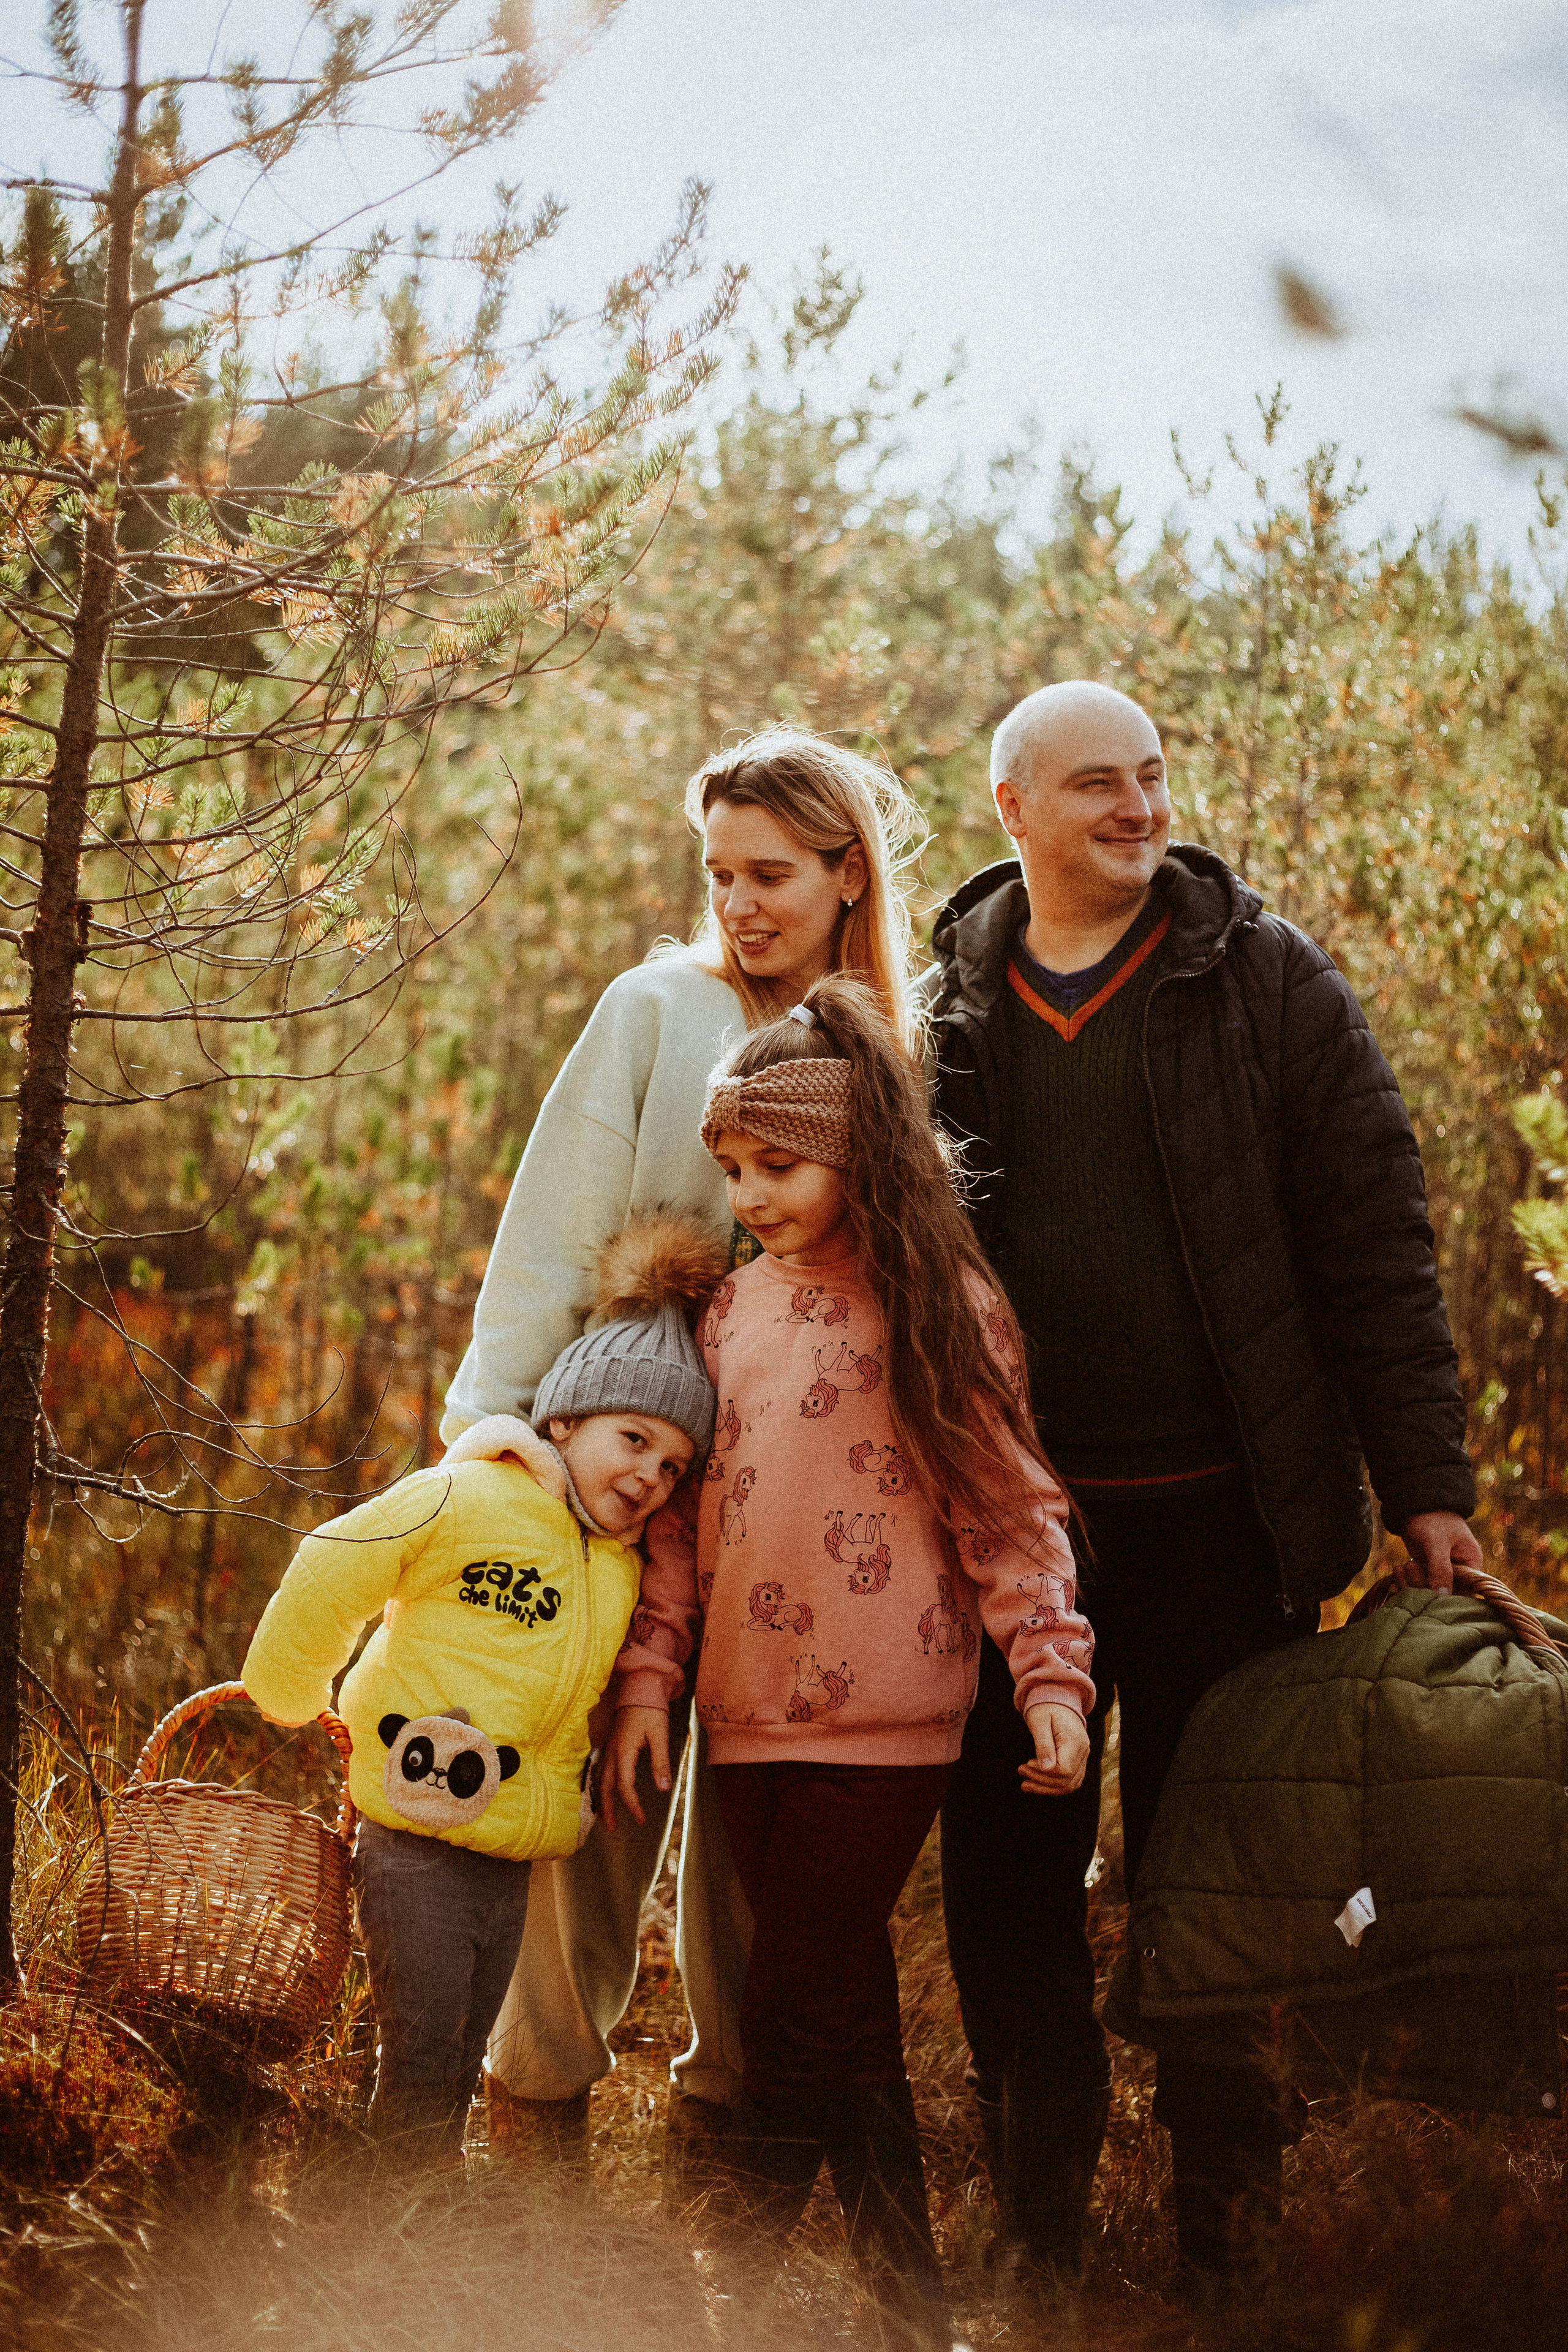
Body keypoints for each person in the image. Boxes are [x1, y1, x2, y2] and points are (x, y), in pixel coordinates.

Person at [925, 679, 1480, 2283]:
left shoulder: (1265, 980)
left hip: (1228, 1525)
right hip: (1015, 1536)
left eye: (1153, 776)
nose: (1139, 808)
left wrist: (1424, 1478)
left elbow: (1375, 1237)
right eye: (1098, 783)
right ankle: (1037, 2221)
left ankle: (1224, 2232)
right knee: (1006, 1876)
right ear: (1013, 809)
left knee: (1220, 1881)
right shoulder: (942, 1004)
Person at [437, 731, 927, 2172]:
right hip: (625, 1470)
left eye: (770, 875)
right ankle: (538, 2099)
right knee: (586, 1778)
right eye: (719, 873)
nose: (738, 904)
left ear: (849, 874)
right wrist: (493, 1441)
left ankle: (736, 2111)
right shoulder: (656, 1010)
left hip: (807, 1491)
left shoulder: (883, 1044)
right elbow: (548, 1238)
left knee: (761, 1805)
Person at [604, 976, 1095, 2348]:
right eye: (733, 1169)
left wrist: (1051, 1679)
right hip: (741, 1718)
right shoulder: (731, 1313)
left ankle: (720, 2305)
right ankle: (909, 2316)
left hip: (888, 1718)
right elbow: (682, 1530)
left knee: (789, 2009)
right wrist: (649, 1683)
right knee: (837, 2012)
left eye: (780, 1164)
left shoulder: (940, 1305)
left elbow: (1012, 1511)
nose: (749, 1194)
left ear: (857, 1154)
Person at [241, 1219, 723, 2163]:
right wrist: (293, 1689)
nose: (649, 1475)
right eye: (633, 1439)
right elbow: (339, 1559)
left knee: (463, 2051)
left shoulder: (614, 1566)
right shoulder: (470, 1498)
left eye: (672, 1465)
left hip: (512, 1853)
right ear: (566, 1421)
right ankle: (398, 2213)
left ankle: (414, 2199)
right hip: (415, 1835)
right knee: (424, 2053)